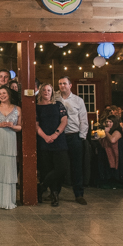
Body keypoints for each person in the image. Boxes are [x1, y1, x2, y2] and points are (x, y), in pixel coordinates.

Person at [55, 76, 89, 205]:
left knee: (77, 166)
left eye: (64, 83)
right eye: (60, 83)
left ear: (70, 85)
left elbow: (83, 119)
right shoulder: (55, 98)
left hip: (74, 135)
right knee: (59, 166)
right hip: (60, 136)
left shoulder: (78, 100)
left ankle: (79, 194)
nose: (62, 86)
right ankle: (55, 192)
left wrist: (82, 136)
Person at [35, 83, 68, 207]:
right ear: (40, 92)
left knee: (62, 167)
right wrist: (45, 137)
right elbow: (36, 125)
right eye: (44, 90)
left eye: (49, 90)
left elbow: (64, 120)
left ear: (52, 92)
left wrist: (55, 134)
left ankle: (42, 187)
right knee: (46, 169)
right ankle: (54, 194)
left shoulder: (58, 105)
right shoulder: (36, 107)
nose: (46, 92)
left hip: (59, 140)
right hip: (44, 140)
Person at [98, 115, 123, 187]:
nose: (108, 123)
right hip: (107, 150)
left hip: (116, 152)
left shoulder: (117, 131)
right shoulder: (110, 130)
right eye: (107, 122)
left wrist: (106, 132)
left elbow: (112, 140)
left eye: (110, 122)